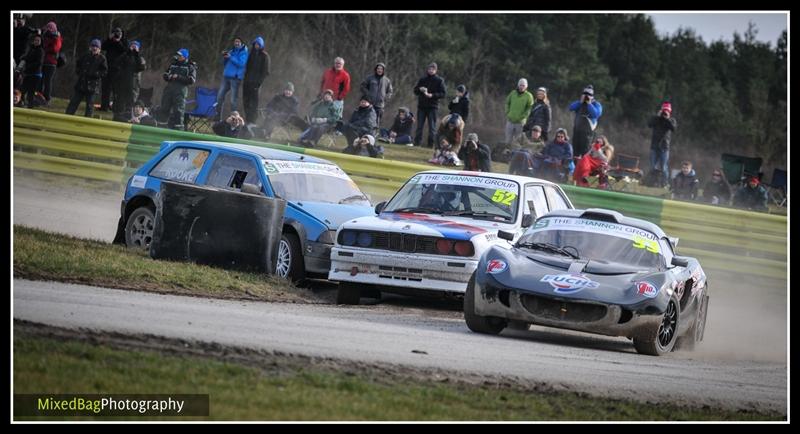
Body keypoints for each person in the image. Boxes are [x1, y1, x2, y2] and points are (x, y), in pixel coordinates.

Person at [65, 38, 107, 117]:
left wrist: (95, 74)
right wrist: (79, 72)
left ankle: (87, 121)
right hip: (81, 83)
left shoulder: (102, 59)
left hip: (92, 86)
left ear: (99, 49)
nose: (94, 48)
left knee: (89, 106)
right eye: (93, 46)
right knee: (73, 102)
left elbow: (104, 72)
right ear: (90, 47)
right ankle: (67, 117)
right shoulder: (85, 56)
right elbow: (78, 64)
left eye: (96, 47)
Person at [158, 48, 196, 130]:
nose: (178, 56)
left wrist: (178, 77)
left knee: (178, 111)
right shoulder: (173, 64)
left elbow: (191, 80)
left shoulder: (190, 66)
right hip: (169, 89)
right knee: (164, 108)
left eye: (180, 55)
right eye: (178, 55)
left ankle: (179, 131)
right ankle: (161, 128)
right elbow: (165, 75)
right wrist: (169, 76)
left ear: (185, 57)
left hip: (180, 91)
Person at [413, 62, 447, 148]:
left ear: (436, 70)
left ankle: (430, 145)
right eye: (429, 69)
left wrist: (432, 95)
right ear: (427, 70)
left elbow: (443, 94)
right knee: (419, 126)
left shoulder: (439, 80)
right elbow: (415, 91)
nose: (431, 71)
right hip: (421, 107)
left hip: (433, 107)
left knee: (432, 128)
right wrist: (420, 89)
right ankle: (417, 144)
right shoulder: (422, 79)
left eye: (433, 69)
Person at [112, 40, 146, 122]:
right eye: (132, 45)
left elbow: (141, 67)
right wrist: (127, 52)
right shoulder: (125, 55)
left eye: (135, 46)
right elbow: (116, 62)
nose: (133, 47)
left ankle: (130, 119)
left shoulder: (140, 57)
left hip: (133, 85)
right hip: (123, 83)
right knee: (120, 102)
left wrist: (136, 54)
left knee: (131, 103)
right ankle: (118, 118)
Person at [216, 36, 249, 118]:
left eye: (238, 41)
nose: (236, 43)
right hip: (226, 77)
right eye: (235, 42)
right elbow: (225, 64)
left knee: (233, 100)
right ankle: (217, 117)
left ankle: (233, 119)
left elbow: (241, 64)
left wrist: (230, 57)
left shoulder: (244, 53)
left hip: (235, 78)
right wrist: (225, 57)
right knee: (219, 97)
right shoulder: (231, 51)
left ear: (242, 43)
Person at [648, 101, 677, 188]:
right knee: (652, 167)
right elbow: (649, 124)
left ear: (669, 111)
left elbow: (673, 129)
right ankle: (652, 182)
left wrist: (667, 118)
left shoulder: (672, 120)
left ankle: (665, 183)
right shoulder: (656, 119)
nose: (664, 113)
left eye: (666, 111)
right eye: (664, 111)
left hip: (664, 147)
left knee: (664, 167)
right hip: (654, 146)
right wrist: (657, 116)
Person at [242, 36, 270, 124]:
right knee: (245, 101)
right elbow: (247, 68)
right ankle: (248, 120)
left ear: (261, 45)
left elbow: (265, 72)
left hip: (256, 84)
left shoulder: (265, 56)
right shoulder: (251, 54)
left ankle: (252, 121)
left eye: (258, 44)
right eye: (255, 44)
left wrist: (258, 84)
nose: (256, 46)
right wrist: (245, 79)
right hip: (247, 82)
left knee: (254, 104)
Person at [568, 84, 603, 157]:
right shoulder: (579, 103)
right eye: (585, 94)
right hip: (577, 131)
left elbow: (596, 114)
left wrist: (589, 104)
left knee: (585, 153)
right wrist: (580, 102)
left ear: (592, 96)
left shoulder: (596, 104)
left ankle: (584, 167)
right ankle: (575, 167)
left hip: (588, 133)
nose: (587, 96)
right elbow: (570, 108)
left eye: (589, 94)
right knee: (575, 152)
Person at [100, 27, 128, 111]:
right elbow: (102, 47)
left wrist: (118, 41)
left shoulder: (124, 41)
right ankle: (104, 106)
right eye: (115, 33)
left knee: (116, 89)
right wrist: (109, 39)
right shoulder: (110, 41)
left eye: (118, 33)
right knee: (105, 88)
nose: (117, 35)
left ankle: (116, 107)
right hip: (107, 67)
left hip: (118, 69)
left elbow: (125, 50)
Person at [359, 62, 393, 127]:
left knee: (377, 121)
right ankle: (365, 133)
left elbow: (390, 91)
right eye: (378, 69)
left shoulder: (387, 80)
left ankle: (374, 134)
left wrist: (385, 97)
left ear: (383, 70)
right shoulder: (370, 78)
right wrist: (368, 94)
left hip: (380, 105)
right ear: (376, 69)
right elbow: (362, 86)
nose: (379, 70)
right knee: (367, 119)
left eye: (381, 69)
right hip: (369, 103)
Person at [505, 78, 534, 148]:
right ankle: (506, 153)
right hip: (510, 120)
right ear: (518, 85)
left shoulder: (529, 96)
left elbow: (530, 107)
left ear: (526, 86)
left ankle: (515, 155)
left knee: (518, 140)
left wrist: (523, 117)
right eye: (520, 85)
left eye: (523, 85)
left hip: (520, 123)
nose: (521, 87)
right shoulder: (513, 93)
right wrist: (507, 113)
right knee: (508, 139)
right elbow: (507, 103)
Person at [40, 21, 62, 105]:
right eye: (47, 28)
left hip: (51, 62)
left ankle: (47, 97)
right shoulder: (45, 36)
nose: (48, 30)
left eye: (50, 28)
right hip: (43, 61)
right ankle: (39, 95)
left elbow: (55, 49)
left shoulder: (57, 37)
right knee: (41, 79)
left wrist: (46, 49)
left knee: (48, 81)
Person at [20, 34, 44, 108]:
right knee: (22, 90)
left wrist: (29, 67)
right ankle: (21, 103)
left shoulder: (40, 51)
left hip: (35, 74)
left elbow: (38, 63)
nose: (36, 42)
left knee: (31, 92)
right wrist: (23, 58)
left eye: (38, 40)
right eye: (35, 40)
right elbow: (28, 57)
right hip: (28, 73)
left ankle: (30, 106)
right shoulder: (31, 48)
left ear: (40, 42)